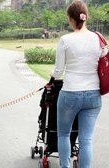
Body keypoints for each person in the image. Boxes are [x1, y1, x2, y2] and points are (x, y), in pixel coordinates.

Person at [51, 1, 103, 168]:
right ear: (85, 17)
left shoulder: (66, 40)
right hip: (93, 95)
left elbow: (58, 71)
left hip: (70, 94)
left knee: (64, 134)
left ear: (71, 19)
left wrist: (51, 78)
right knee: (86, 140)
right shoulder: (98, 38)